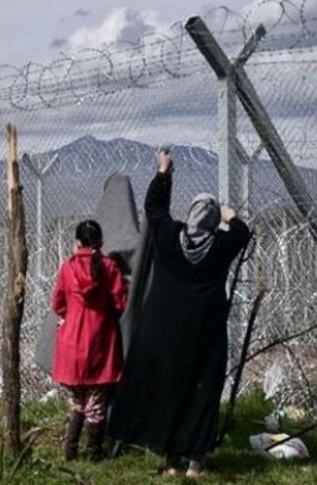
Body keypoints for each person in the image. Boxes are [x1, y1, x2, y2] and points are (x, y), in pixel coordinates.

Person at [107, 149, 251, 479]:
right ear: (213, 219)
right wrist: (230, 217)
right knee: (201, 392)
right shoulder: (220, 248)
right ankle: (195, 462)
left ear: (191, 215)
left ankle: (170, 459)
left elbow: (154, 209)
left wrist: (163, 172)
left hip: (164, 333)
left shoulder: (170, 238)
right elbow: (241, 234)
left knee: (168, 389)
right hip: (204, 335)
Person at [51, 220, 128, 462]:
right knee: (97, 404)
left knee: (77, 402)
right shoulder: (110, 268)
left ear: (77, 243)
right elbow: (120, 304)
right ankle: (94, 454)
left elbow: (57, 304)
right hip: (100, 343)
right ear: (101, 242)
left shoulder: (68, 268)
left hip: (72, 343)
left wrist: (70, 316)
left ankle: (70, 451)